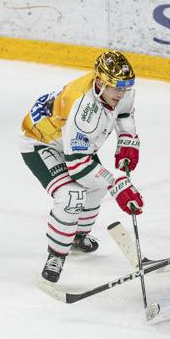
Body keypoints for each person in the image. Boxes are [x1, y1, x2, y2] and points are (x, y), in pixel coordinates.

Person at [20, 51, 145, 283]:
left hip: (72, 142)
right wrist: (117, 183)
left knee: (96, 187)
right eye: (116, 88)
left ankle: (77, 236)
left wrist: (127, 141)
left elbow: (124, 112)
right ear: (100, 83)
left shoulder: (119, 91)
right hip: (42, 143)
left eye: (125, 87)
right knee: (71, 195)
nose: (122, 93)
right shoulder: (82, 108)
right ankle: (56, 256)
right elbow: (77, 166)